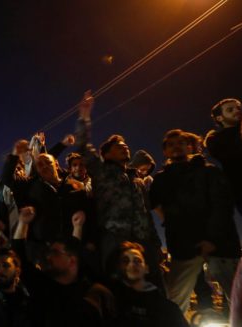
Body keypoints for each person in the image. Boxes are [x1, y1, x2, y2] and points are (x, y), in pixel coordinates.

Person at [75, 91, 163, 288]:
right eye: (118, 147)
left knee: (154, 285)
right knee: (116, 285)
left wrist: (155, 243)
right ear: (105, 154)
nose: (125, 148)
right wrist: (84, 118)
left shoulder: (136, 179)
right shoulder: (101, 171)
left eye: (125, 146)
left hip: (143, 240)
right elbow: (82, 145)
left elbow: (146, 212)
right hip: (114, 239)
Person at [150, 129, 241, 314]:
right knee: (175, 303)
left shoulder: (209, 171)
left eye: (180, 142)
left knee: (238, 297)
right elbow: (155, 204)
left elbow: (222, 206)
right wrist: (171, 224)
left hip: (220, 245)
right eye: (170, 144)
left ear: (190, 146)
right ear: (165, 152)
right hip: (184, 248)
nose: (176, 146)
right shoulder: (161, 179)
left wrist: (211, 238)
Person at [13, 207, 113, 327]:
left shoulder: (90, 290)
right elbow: (18, 257)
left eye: (54, 253)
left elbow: (75, 250)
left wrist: (78, 227)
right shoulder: (42, 285)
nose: (48, 257)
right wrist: (23, 223)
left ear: (71, 261)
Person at [109, 241, 188, 327]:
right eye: (125, 260)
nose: (131, 264)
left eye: (137, 260)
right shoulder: (108, 300)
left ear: (146, 269)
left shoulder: (167, 309)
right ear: (118, 267)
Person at [204, 98, 242, 214]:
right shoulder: (215, 139)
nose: (237, 111)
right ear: (219, 118)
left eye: (239, 108)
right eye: (230, 110)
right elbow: (232, 155)